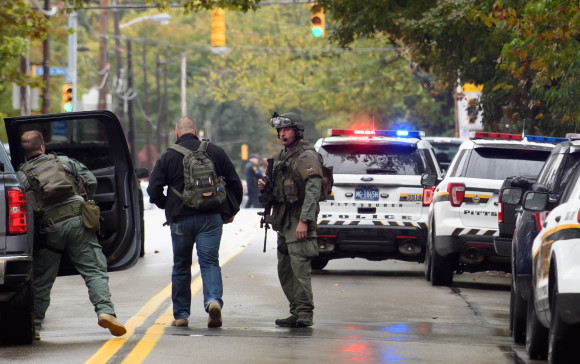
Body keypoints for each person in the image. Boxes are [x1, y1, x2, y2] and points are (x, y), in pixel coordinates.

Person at [18, 130, 126, 340]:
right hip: (79, 222)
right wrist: (84, 200)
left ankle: (35, 325)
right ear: (42, 147)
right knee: (94, 270)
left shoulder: (22, 175)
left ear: (25, 152)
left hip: (50, 229)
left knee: (42, 280)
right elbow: (91, 180)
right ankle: (105, 312)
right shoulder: (64, 162)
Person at [147, 116, 243, 328]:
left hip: (180, 220)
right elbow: (235, 183)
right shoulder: (215, 152)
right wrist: (230, 211)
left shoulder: (167, 156)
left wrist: (168, 205)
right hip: (211, 217)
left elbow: (153, 190)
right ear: (196, 131)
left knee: (181, 265)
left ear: (177, 133)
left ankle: (181, 315)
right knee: (209, 262)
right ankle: (213, 301)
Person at [258, 112, 322, 328]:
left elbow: (313, 189)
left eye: (286, 129)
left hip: (297, 219)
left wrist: (305, 220)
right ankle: (295, 311)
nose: (282, 134)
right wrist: (266, 187)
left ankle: (305, 313)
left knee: (300, 269)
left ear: (297, 131)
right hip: (283, 221)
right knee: (285, 269)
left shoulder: (307, 157)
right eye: (280, 131)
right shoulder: (283, 157)